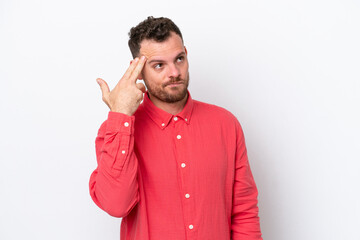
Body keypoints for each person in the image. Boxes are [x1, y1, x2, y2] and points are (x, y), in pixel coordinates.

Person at [89, 16, 263, 240]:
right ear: (138, 70)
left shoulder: (226, 124)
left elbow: (244, 213)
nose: (174, 72)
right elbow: (116, 204)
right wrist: (121, 115)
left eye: (179, 59)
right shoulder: (116, 130)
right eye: (159, 65)